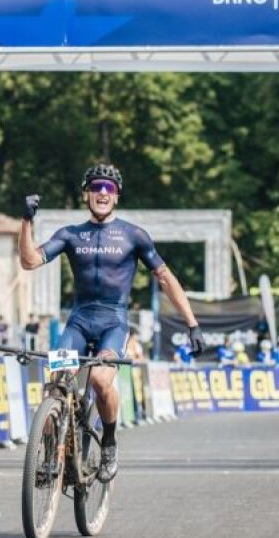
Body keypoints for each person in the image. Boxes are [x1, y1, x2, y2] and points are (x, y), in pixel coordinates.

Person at [19, 163, 203, 483]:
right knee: (56, 382)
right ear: (86, 194)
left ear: (116, 197)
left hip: (113, 323)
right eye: (97, 187)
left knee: (102, 381)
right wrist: (25, 221)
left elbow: (165, 278)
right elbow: (29, 261)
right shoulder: (70, 234)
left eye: (109, 189)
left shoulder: (134, 235)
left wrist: (192, 323)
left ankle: (108, 443)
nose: (103, 193)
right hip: (78, 322)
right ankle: (52, 452)